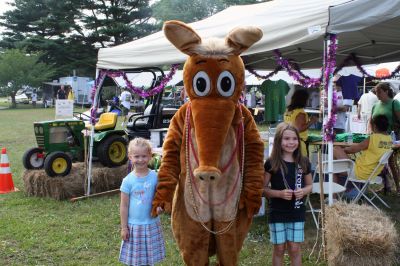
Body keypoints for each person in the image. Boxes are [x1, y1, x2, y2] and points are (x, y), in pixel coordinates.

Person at [264, 122, 313, 266]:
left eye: (294, 139)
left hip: (297, 211)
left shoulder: (304, 162)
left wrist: (303, 191)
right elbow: (262, 189)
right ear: (279, 141)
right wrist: (279, 194)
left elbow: (310, 186)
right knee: (279, 249)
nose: (291, 142)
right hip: (277, 212)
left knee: (295, 248)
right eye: (286, 139)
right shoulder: (271, 163)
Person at [119, 138, 166, 265]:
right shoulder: (127, 181)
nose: (140, 160)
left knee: (149, 260)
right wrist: (124, 228)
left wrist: (160, 208)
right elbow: (124, 206)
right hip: (134, 227)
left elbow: (159, 198)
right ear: (130, 157)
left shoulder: (155, 177)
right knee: (135, 261)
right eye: (137, 156)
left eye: (144, 156)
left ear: (150, 156)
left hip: (151, 224)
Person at [333, 115, 392, 196]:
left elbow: (353, 150)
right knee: (336, 164)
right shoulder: (389, 139)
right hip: (372, 173)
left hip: (360, 172)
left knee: (335, 152)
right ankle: (347, 190)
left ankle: (334, 197)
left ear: (374, 126)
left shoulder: (373, 138)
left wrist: (342, 151)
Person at [371, 82, 400, 194]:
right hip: (377, 138)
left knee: (391, 162)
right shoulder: (375, 105)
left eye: (379, 92)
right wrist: (371, 132)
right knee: (380, 162)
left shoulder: (394, 103)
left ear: (386, 91)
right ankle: (386, 185)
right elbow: (371, 121)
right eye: (376, 92)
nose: (377, 94)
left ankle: (398, 187)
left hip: (391, 138)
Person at [284, 89, 318, 156]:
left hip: (288, 141)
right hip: (298, 143)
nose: (308, 101)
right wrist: (311, 121)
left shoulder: (288, 110)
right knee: (301, 165)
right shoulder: (300, 113)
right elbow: (299, 128)